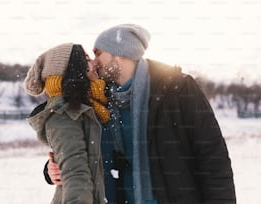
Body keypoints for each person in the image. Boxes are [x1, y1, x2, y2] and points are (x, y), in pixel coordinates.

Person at [44, 25, 236, 204]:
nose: (93, 62)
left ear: (119, 53)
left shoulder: (176, 88)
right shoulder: (99, 100)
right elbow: (82, 148)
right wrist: (51, 170)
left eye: (98, 53)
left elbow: (212, 157)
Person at [25, 43, 109, 204]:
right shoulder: (64, 113)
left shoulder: (97, 106)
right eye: (86, 59)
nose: (94, 62)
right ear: (74, 69)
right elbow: (75, 173)